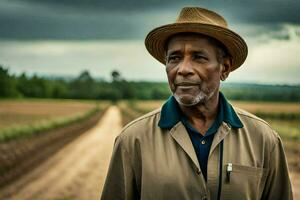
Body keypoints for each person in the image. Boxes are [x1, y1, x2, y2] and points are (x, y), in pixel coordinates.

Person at [101, 7, 293, 200]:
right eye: (174, 58)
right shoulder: (133, 140)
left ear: (224, 68)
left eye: (199, 57)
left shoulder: (263, 139)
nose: (183, 69)